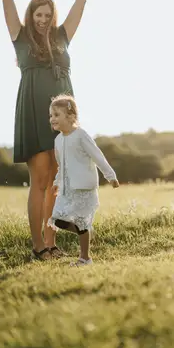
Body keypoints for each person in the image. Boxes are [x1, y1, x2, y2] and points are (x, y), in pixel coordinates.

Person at [1, 0, 86, 261]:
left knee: (56, 183)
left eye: (48, 15)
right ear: (30, 15)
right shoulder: (21, 38)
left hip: (63, 116)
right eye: (38, 14)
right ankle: (37, 247)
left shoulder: (62, 36)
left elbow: (81, 3)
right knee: (39, 181)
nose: (43, 19)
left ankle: (51, 244)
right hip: (36, 113)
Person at [48, 94, 119, 266]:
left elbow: (98, 157)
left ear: (71, 116)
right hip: (67, 189)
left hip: (83, 188)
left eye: (57, 115)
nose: (52, 119)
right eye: (51, 115)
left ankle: (85, 257)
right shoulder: (58, 140)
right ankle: (86, 232)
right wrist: (57, 182)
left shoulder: (81, 135)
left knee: (80, 222)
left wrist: (111, 176)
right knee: (58, 220)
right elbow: (61, 165)